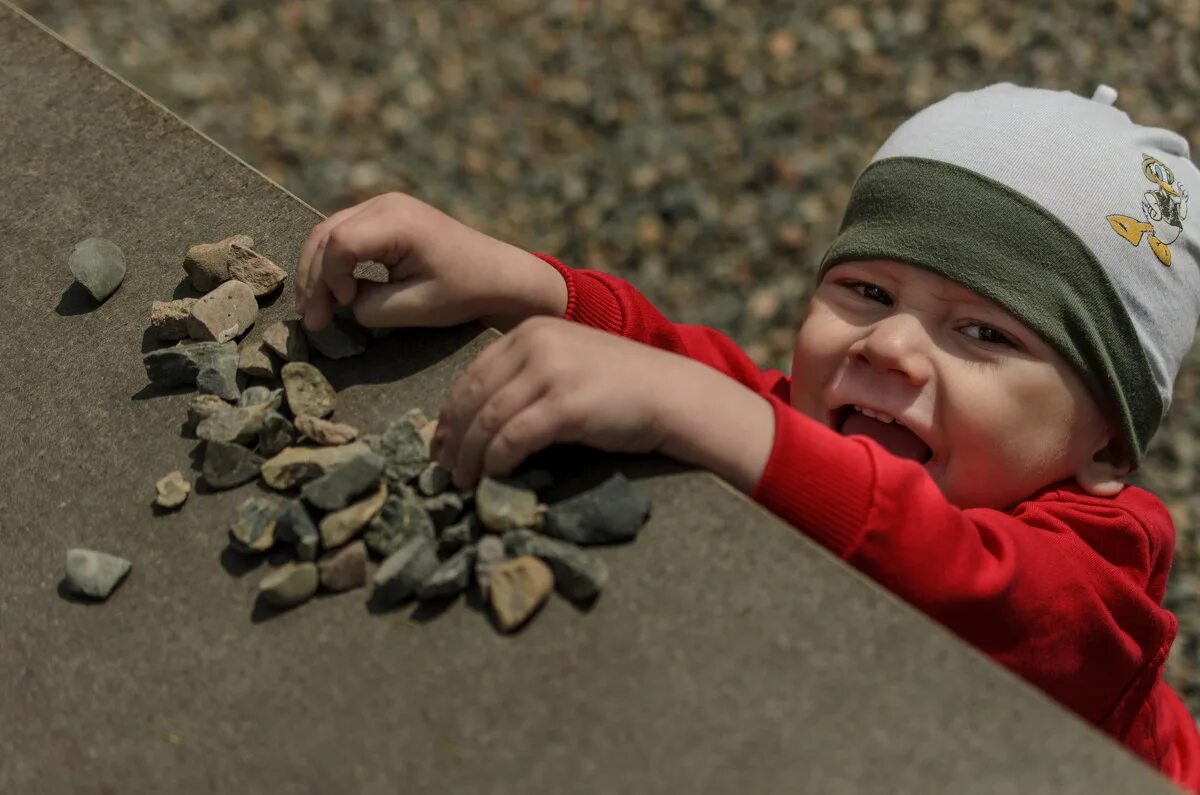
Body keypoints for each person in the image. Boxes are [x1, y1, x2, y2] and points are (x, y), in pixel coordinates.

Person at [294, 83, 1200, 789]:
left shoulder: (1094, 592)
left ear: (1108, 448)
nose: (889, 343)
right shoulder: (835, 422)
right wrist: (521, 285)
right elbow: (705, 375)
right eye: (868, 292)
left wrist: (699, 408)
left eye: (986, 334)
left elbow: (968, 575)